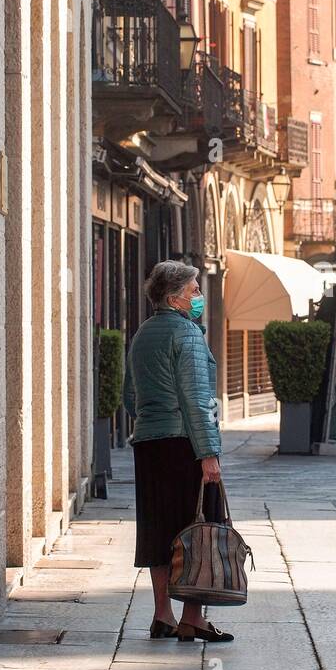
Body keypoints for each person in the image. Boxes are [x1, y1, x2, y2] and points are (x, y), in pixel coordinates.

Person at [122, 260, 233, 643]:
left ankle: (162, 615)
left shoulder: (141, 335)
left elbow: (130, 397)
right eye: (195, 291)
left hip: (149, 445)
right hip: (185, 444)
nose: (199, 297)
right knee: (197, 529)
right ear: (174, 299)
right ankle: (192, 618)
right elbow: (197, 400)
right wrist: (209, 454)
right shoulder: (187, 335)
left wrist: (150, 420)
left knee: (158, 528)